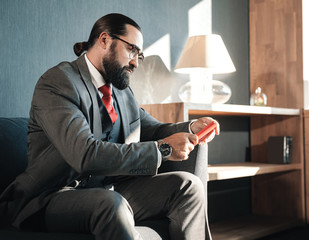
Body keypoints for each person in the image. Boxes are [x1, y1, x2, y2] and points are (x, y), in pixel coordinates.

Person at [0, 13, 219, 240]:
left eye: (139, 56)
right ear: (104, 40)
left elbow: (152, 129)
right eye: (132, 50)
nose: (135, 62)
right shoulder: (58, 82)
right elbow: (84, 154)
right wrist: (162, 149)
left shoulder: (122, 93)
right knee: (110, 204)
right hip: (51, 196)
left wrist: (192, 128)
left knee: (188, 187)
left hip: (110, 190)